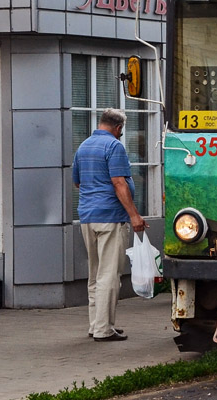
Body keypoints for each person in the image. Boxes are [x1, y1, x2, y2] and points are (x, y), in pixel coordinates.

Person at [72, 108, 146, 342]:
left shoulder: (83, 146)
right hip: (110, 217)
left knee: (95, 274)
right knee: (109, 275)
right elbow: (119, 183)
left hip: (87, 217)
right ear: (118, 128)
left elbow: (77, 182)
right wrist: (134, 215)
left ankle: (96, 325)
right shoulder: (114, 146)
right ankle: (104, 330)